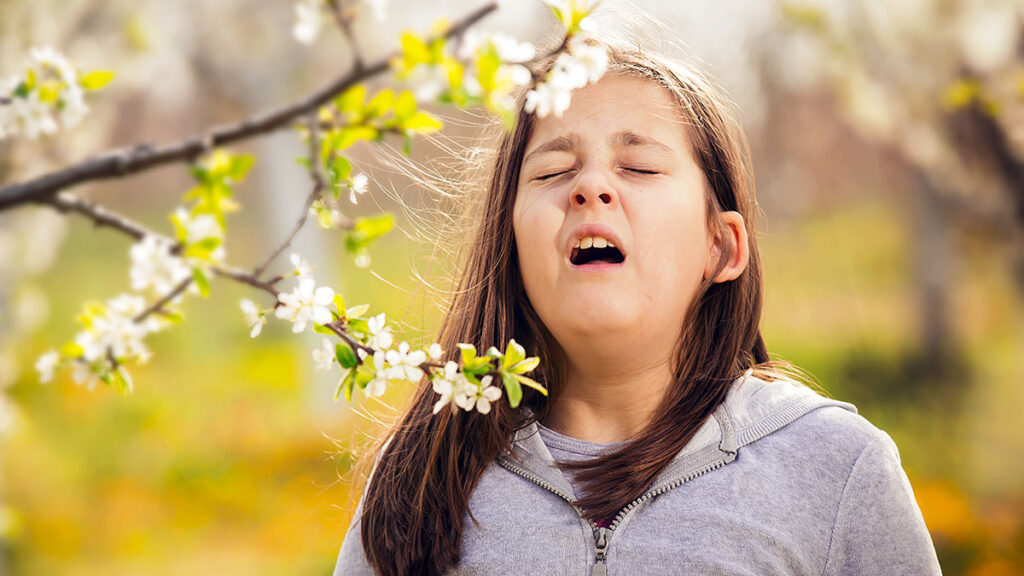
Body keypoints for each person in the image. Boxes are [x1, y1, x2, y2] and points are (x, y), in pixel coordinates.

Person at [331, 37, 943, 576]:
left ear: (721, 247)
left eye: (640, 166)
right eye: (552, 172)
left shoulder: (835, 468)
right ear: (509, 244)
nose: (589, 187)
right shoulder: (422, 475)